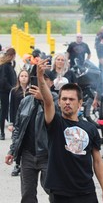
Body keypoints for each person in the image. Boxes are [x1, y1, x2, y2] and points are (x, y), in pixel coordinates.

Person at [36, 60, 103, 202]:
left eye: (71, 99)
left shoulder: (91, 128)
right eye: (64, 99)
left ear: (80, 103)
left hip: (86, 191)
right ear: (59, 102)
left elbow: (98, 161)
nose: (67, 102)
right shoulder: (55, 123)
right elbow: (48, 101)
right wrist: (40, 78)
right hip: (60, 192)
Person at [5, 70, 57, 203]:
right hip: (27, 154)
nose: (40, 84)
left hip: (48, 155)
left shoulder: (57, 101)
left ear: (50, 84)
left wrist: (44, 100)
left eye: (44, 81)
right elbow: (18, 128)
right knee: (27, 195)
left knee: (54, 191)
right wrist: (12, 150)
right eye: (38, 81)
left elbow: (57, 120)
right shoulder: (25, 101)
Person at [8, 69, 30, 177]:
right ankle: (16, 164)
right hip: (17, 121)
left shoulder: (32, 90)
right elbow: (10, 107)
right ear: (19, 78)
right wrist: (11, 123)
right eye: (22, 76)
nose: (24, 78)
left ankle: (25, 164)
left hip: (29, 121)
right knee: (16, 142)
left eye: (26, 76)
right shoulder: (14, 91)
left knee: (27, 142)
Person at [0, 47, 17, 140]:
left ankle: (3, 131)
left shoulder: (9, 65)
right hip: (5, 92)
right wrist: (11, 88)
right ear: (13, 55)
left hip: (8, 91)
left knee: (5, 111)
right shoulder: (5, 66)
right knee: (4, 111)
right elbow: (3, 80)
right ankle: (2, 132)